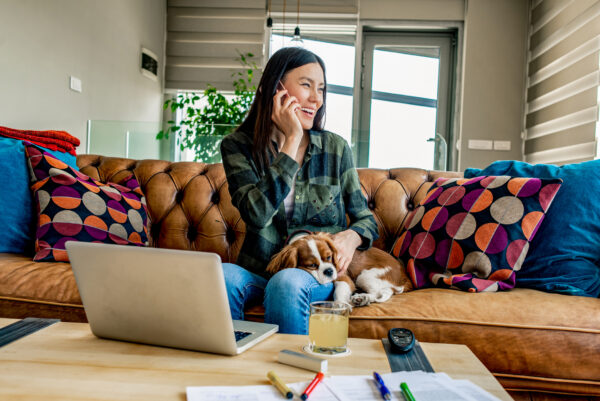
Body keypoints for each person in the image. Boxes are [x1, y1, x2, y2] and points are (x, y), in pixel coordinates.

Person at [219, 47, 378, 334]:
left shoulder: (336, 148)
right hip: (259, 268)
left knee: (288, 281)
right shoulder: (238, 147)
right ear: (275, 87)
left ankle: (290, 376)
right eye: (306, 85)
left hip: (313, 274)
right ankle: (236, 368)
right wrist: (292, 141)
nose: (316, 99)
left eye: (321, 89)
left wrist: (351, 237)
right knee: (223, 276)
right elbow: (257, 214)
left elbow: (366, 220)